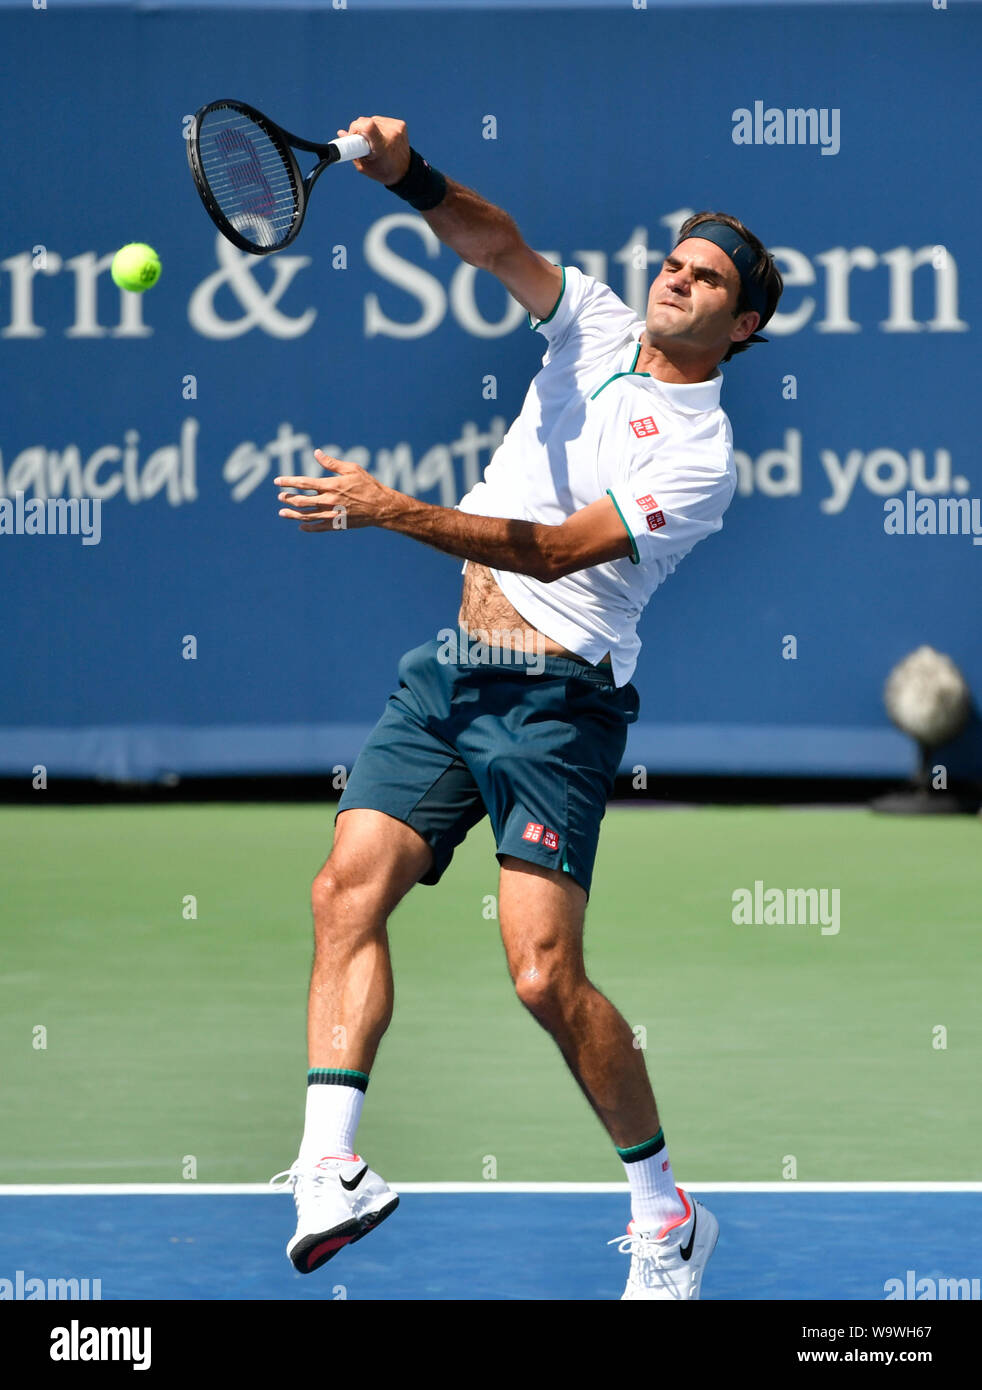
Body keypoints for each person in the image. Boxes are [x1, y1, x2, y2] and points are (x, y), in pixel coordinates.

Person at [270, 116, 783, 1300]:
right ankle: (328, 1164)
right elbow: (496, 245)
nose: (677, 278)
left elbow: (554, 552)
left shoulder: (701, 455)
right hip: (450, 668)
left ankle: (667, 1216)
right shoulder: (598, 320)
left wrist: (386, 507)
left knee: (543, 977)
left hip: (557, 704)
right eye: (676, 260)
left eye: (705, 279)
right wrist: (408, 176)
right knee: (345, 885)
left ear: (740, 326)